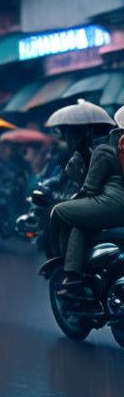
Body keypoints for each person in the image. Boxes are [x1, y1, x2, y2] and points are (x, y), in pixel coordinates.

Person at [51, 109, 124, 299]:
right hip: (112, 205)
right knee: (79, 228)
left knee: (59, 212)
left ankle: (63, 266)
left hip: (111, 204)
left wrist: (75, 200)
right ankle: (74, 274)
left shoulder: (105, 150)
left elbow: (89, 188)